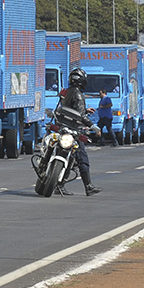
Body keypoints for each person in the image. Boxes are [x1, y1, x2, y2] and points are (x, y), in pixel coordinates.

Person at [57, 68, 103, 196]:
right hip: (73, 130)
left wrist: (85, 110)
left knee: (69, 158)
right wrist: (94, 127)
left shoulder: (66, 92)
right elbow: (81, 116)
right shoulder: (78, 94)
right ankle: (88, 186)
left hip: (62, 127)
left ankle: (59, 184)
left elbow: (68, 109)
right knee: (82, 159)